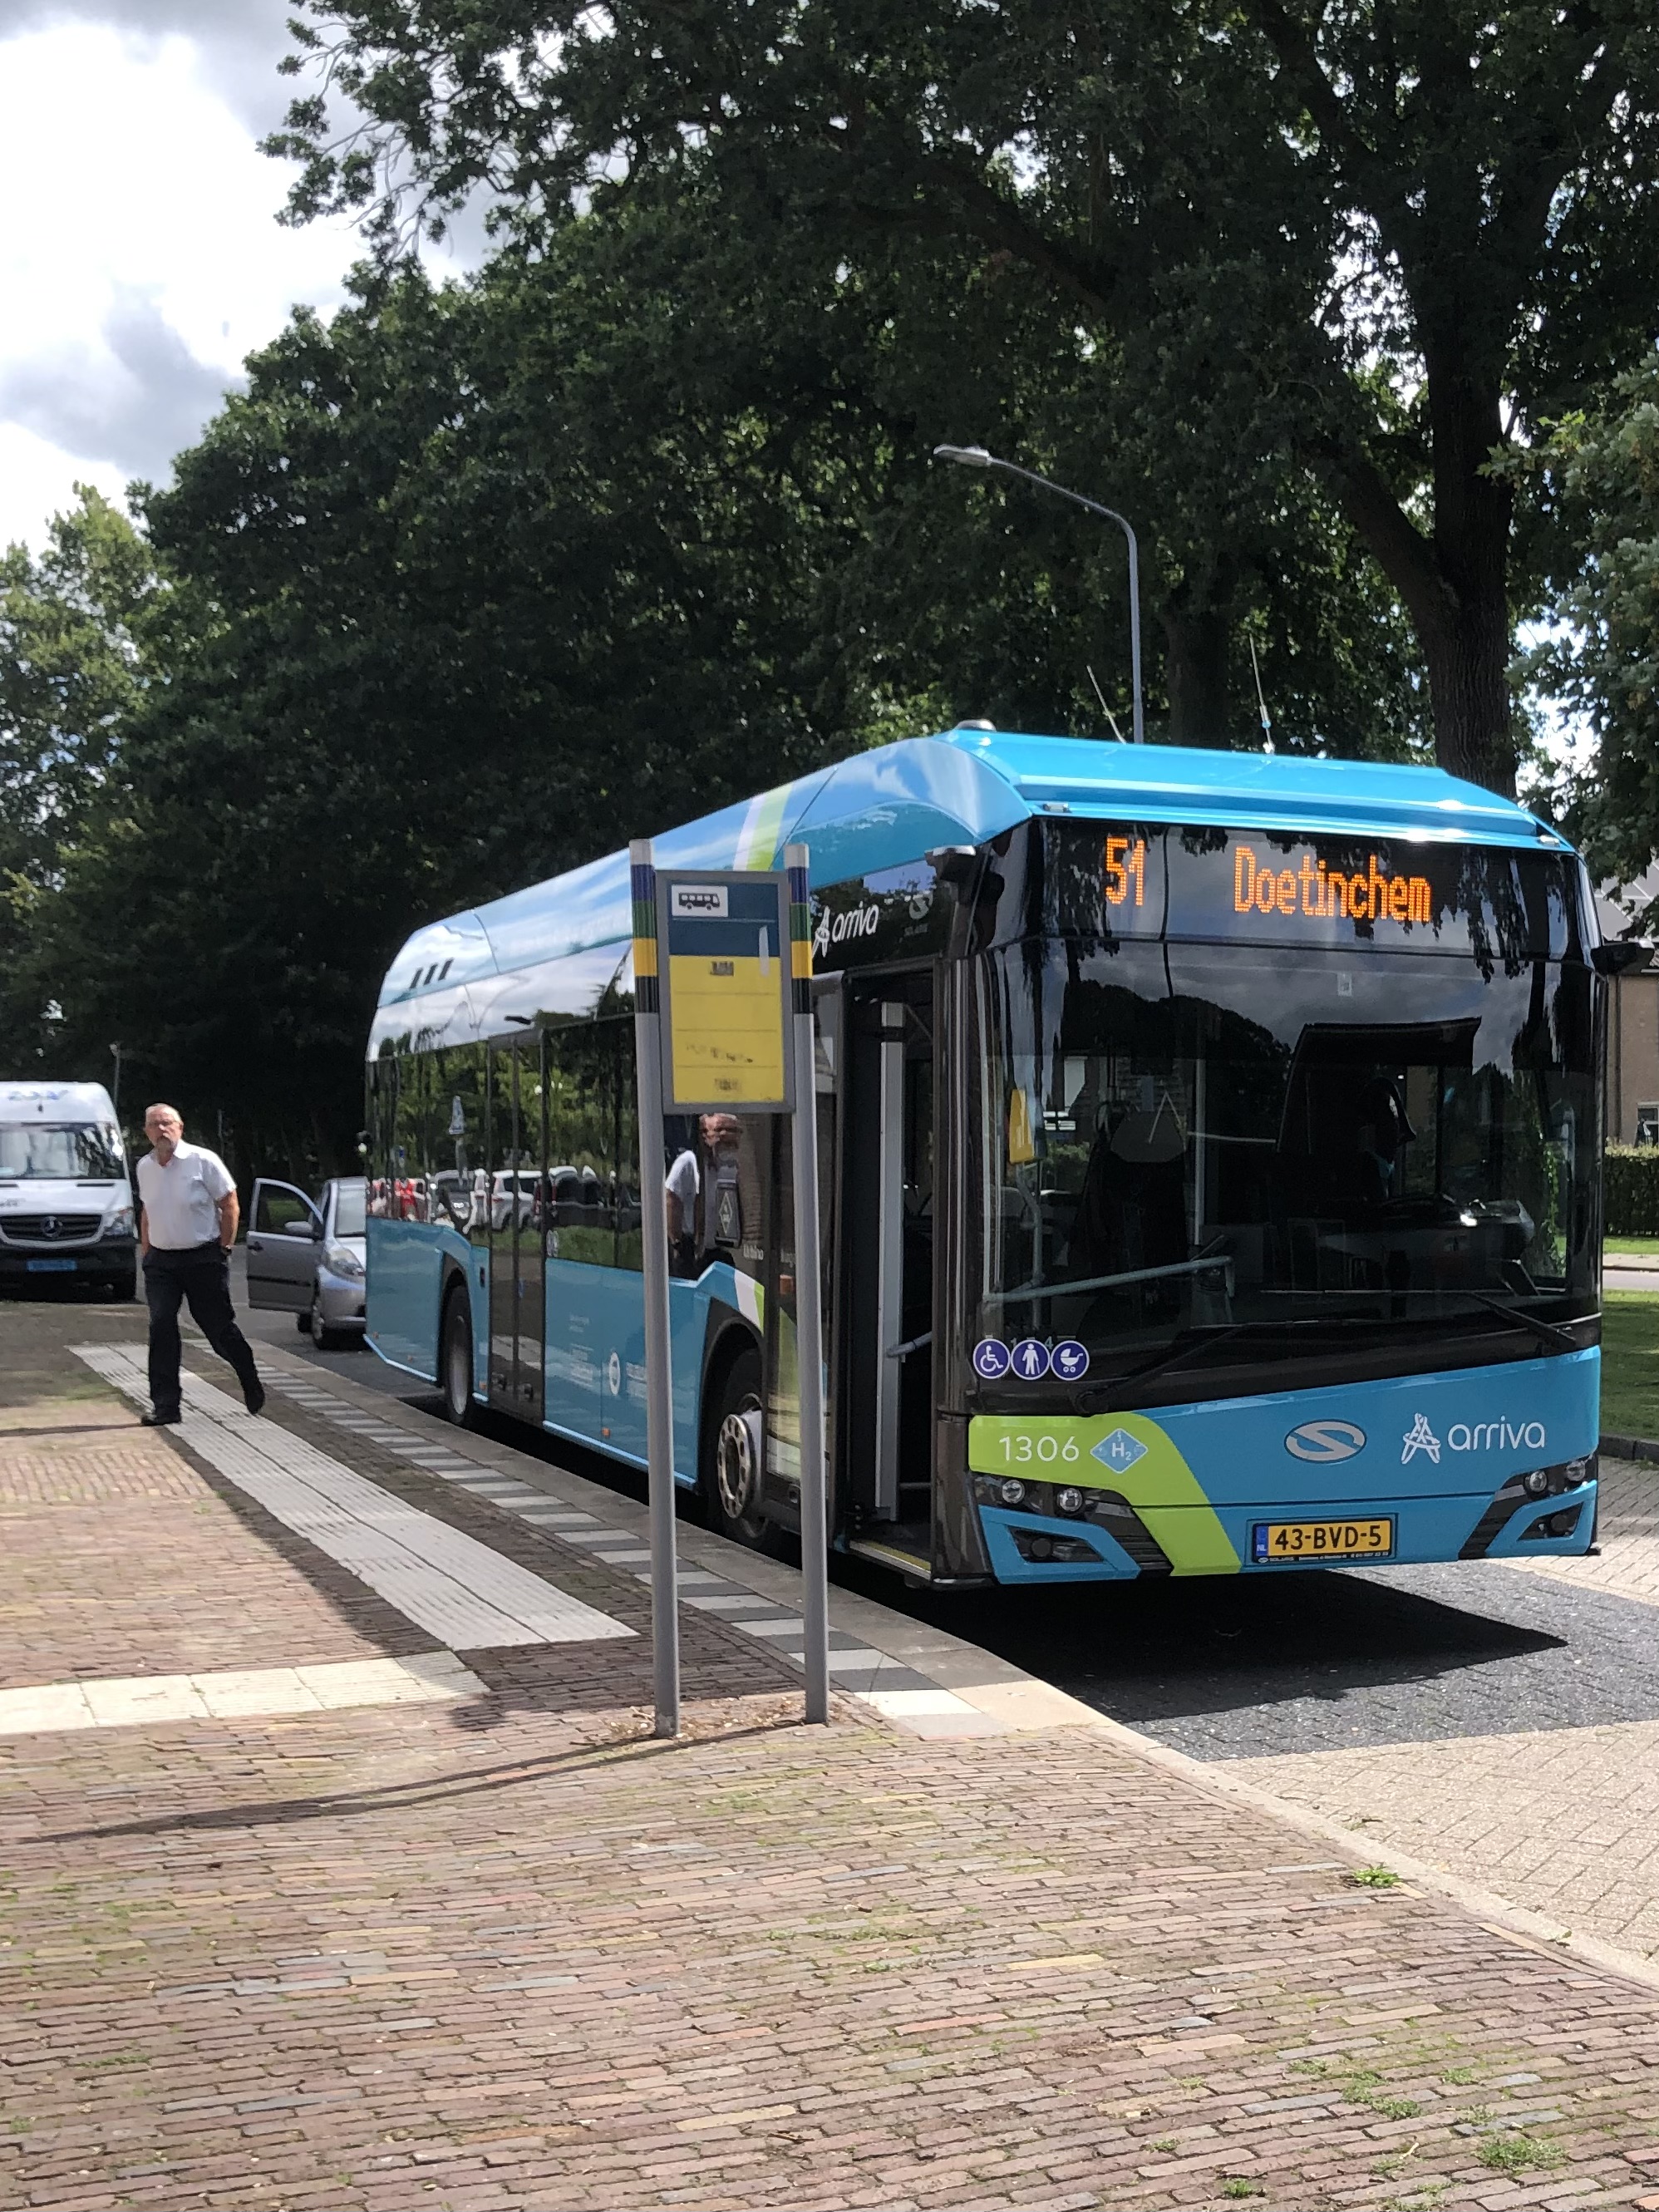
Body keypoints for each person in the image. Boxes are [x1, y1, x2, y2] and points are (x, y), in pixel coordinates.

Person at [135, 1103, 264, 1426]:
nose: (161, 1129)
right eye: (154, 1124)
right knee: (161, 1325)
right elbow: (148, 1209)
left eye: (167, 1123)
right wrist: (147, 1250)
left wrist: (225, 1248)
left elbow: (230, 1203)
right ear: (146, 1132)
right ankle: (166, 1407)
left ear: (180, 1127)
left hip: (202, 1256)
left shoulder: (202, 1160)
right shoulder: (144, 1167)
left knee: (216, 1327)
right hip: (162, 1261)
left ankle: (246, 1371)